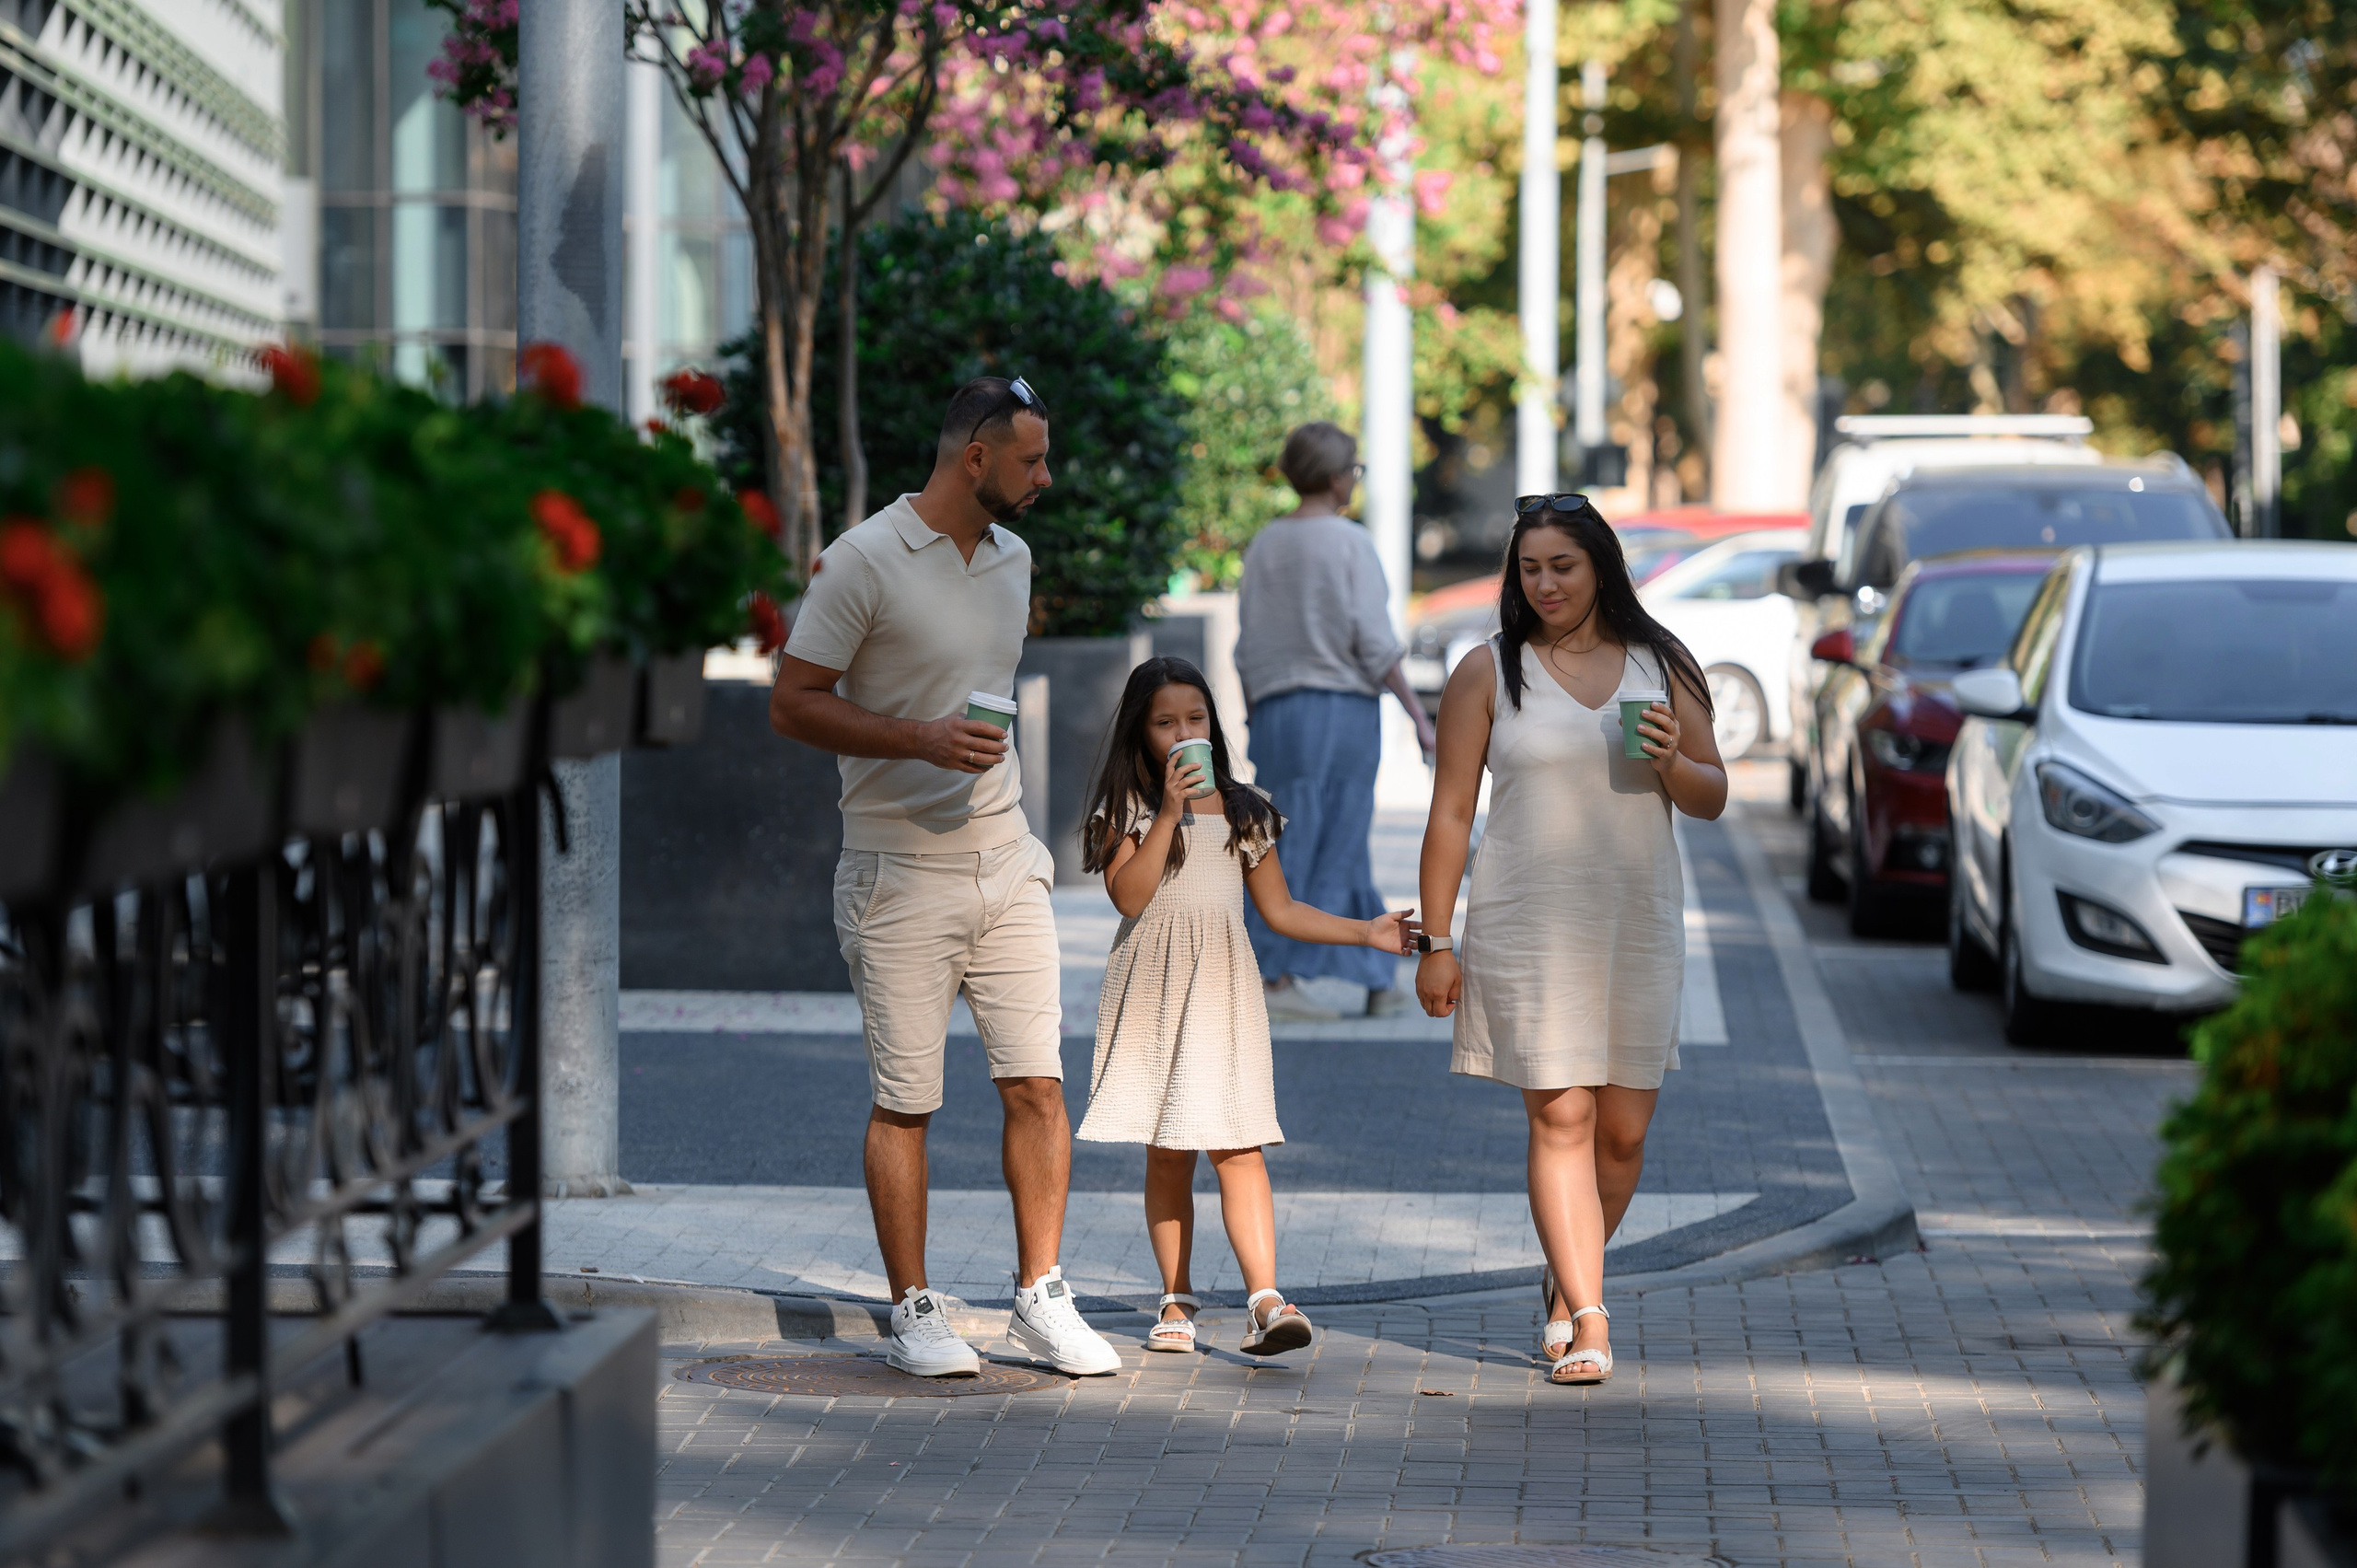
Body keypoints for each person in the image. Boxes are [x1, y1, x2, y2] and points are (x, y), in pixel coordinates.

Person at [769, 375, 1121, 1380]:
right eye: (1031, 460)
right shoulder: (862, 559)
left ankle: (1039, 1298)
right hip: (896, 868)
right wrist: (914, 738)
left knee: (1040, 1087)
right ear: (976, 458)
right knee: (908, 1101)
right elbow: (791, 703)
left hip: (1005, 858)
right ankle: (913, 1307)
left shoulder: (1013, 557)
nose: (1045, 477)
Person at [1412, 494, 1727, 1386]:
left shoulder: (1663, 663)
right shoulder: (1487, 670)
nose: (1544, 583)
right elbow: (1448, 815)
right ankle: (1590, 1312)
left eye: (1563, 565)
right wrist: (1436, 939)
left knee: (1621, 1139)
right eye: (1528, 568)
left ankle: (1566, 1272)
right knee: (1562, 1115)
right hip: (1526, 921)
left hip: (1634, 922)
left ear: (1601, 569)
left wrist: (1670, 760)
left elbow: (1712, 795)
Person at [1076, 657, 1416, 1354]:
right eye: (1165, 721)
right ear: (1141, 730)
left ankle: (1266, 1298)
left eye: (1194, 719)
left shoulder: (1245, 808)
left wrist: (1368, 931)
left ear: (1213, 724)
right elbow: (1130, 896)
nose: (1182, 733)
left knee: (1239, 1143)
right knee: (1169, 1150)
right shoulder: (1127, 808)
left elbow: (1282, 910)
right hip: (1155, 988)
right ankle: (1175, 1299)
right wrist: (1169, 810)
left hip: (1223, 988)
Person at [1232, 422, 1438, 1021]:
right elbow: (1373, 642)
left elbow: (1249, 645)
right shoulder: (1349, 542)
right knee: (1334, 839)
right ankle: (1270, 977)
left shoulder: (1265, 543)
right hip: (1340, 712)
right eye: (1354, 468)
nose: (1355, 479)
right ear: (1333, 477)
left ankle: (1373, 975)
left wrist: (1253, 710)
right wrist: (1417, 714)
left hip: (1276, 711)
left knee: (1288, 838)